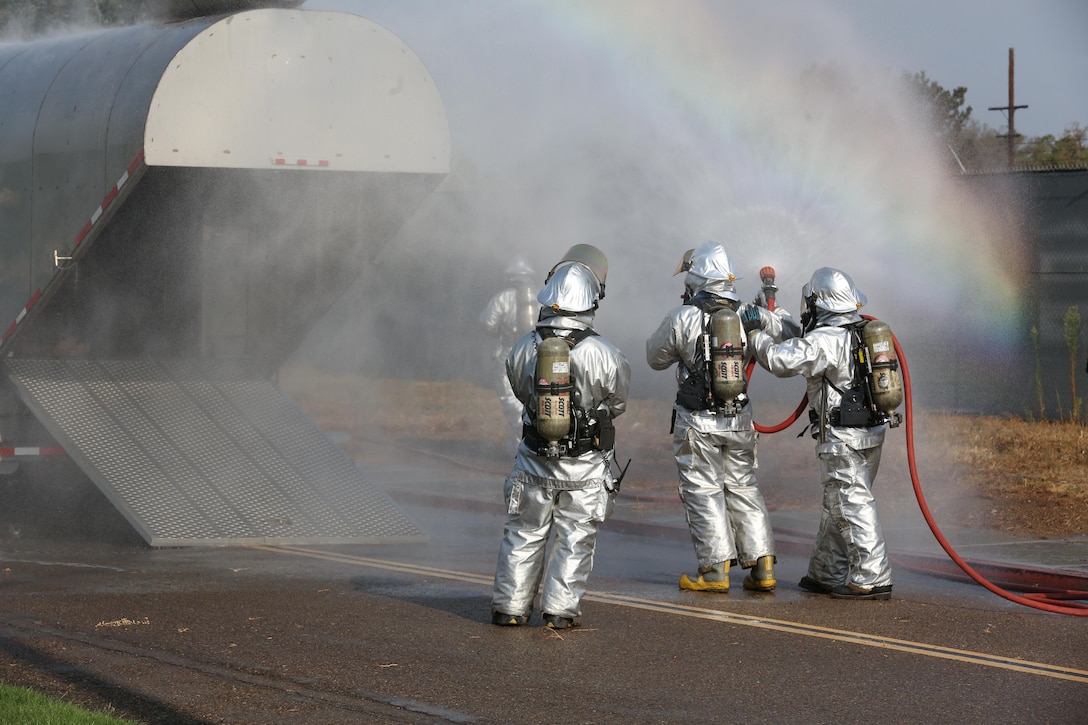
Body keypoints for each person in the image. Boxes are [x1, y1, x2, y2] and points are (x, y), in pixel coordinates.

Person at [491, 245, 631, 629]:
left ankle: (509, 608)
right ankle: (559, 611)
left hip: (533, 459)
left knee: (523, 532)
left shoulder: (522, 347)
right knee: (575, 536)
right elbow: (617, 402)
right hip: (584, 466)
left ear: (549, 297)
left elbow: (520, 392)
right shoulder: (606, 353)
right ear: (590, 301)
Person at [646, 241, 795, 593]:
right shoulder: (746, 313)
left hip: (698, 422)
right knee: (744, 487)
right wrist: (764, 315)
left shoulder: (684, 316)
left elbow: (655, 357)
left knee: (703, 490)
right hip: (740, 418)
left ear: (696, 276)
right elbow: (791, 332)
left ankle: (714, 571)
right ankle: (763, 567)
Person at [743, 267, 894, 600]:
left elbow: (782, 359)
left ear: (820, 301)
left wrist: (755, 335)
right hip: (870, 433)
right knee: (837, 504)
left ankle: (873, 576)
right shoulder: (857, 330)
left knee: (850, 502)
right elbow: (800, 336)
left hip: (841, 437)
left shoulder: (825, 340)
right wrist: (770, 314)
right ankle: (826, 572)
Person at [480, 259, 538, 454]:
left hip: (509, 353)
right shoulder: (539, 298)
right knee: (532, 397)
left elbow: (487, 324)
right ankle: (517, 446)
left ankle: (529, 435)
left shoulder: (502, 298)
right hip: (536, 354)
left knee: (509, 396)